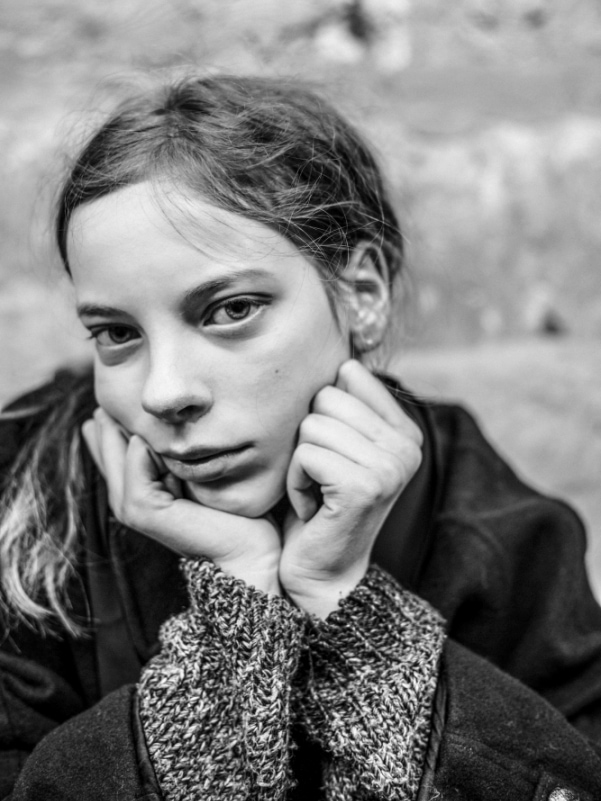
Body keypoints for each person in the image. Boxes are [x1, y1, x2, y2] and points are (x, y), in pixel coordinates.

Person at [1, 73, 600, 801]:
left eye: (231, 310)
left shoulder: (502, 537)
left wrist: (350, 611)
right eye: (117, 333)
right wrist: (233, 625)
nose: (163, 392)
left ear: (362, 294)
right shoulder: (28, 517)